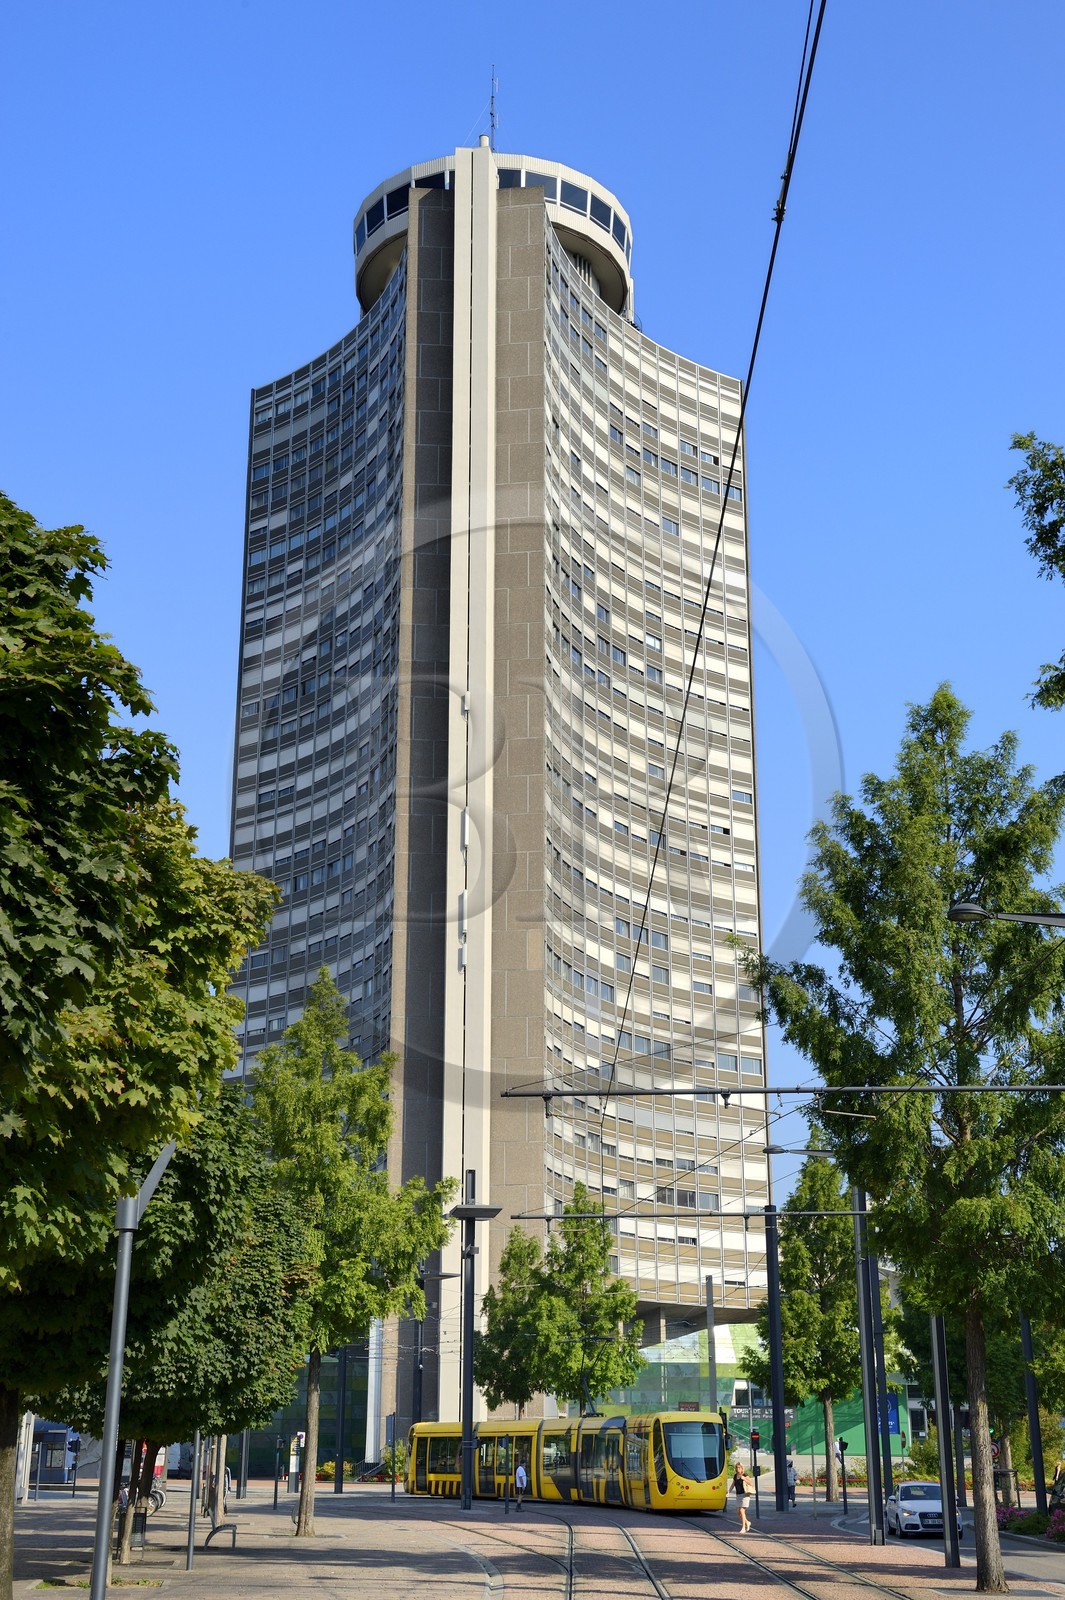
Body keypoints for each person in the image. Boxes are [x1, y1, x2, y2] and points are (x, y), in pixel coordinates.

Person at [732, 1460, 754, 1533]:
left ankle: (743, 1528)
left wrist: (744, 1479)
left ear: (742, 1468)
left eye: (739, 1468)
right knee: (738, 1512)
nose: (738, 1469)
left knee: (742, 1510)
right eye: (737, 1468)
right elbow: (733, 1484)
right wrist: (728, 1491)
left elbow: (750, 1483)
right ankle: (747, 1522)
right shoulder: (735, 1476)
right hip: (738, 1495)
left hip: (745, 1495)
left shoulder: (745, 1475)